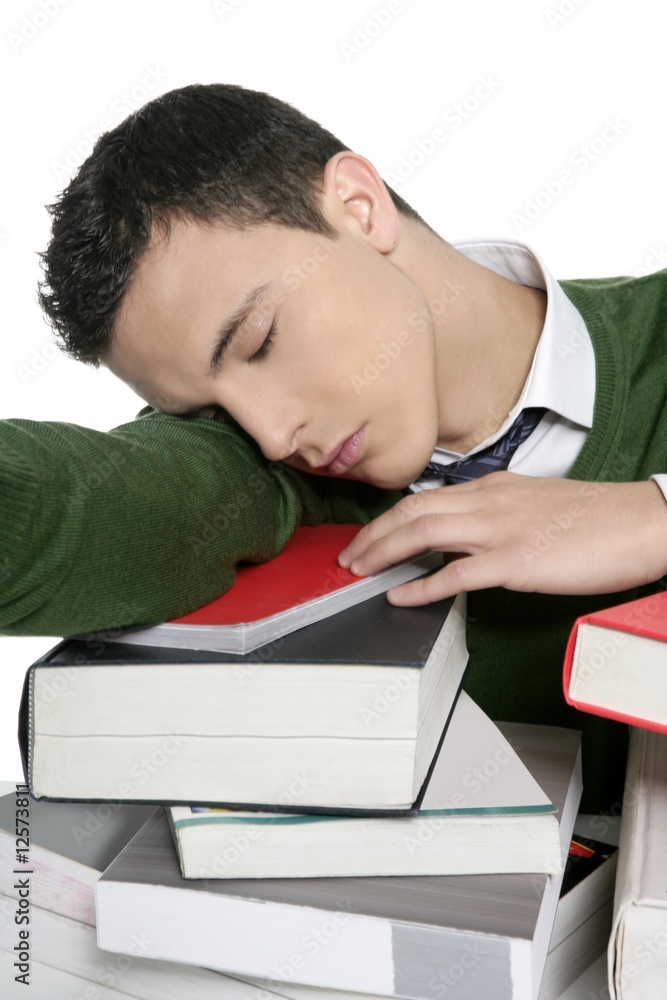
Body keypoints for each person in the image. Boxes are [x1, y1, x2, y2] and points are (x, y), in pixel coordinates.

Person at [25, 83, 667, 809]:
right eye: (208, 410)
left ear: (360, 208)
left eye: (260, 342)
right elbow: (83, 503)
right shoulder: (257, 467)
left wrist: (654, 516)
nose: (272, 436)